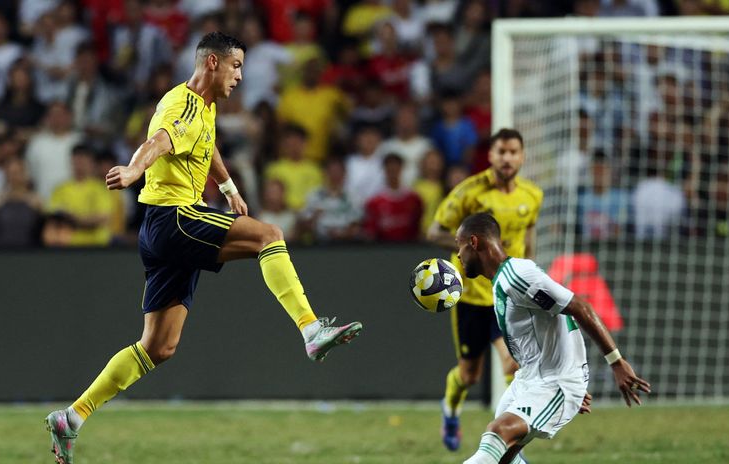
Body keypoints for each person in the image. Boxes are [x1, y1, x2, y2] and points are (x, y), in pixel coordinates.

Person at [44, 32, 363, 464]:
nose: (240, 76)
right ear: (212, 62)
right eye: (236, 66)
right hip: (175, 218)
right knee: (269, 235)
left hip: (158, 233)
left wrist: (228, 186)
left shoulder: (201, 106)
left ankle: (73, 417)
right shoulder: (185, 106)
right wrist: (135, 170)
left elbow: (204, 144)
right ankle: (310, 330)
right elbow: (159, 141)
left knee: (158, 347)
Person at [455, 212, 650, 464]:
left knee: (498, 433)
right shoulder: (504, 280)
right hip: (531, 379)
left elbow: (580, 307)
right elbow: (554, 322)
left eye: (459, 245)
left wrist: (614, 363)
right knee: (504, 457)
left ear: (474, 242)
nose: (458, 255)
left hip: (553, 382)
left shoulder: (517, 276)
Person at [427, 129, 543, 451]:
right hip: (471, 295)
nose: (507, 158)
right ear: (490, 156)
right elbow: (434, 231)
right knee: (469, 375)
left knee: (513, 365)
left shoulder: (532, 195)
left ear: (522, 156)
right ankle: (450, 409)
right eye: (501, 152)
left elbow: (529, 237)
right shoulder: (469, 193)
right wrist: (475, 247)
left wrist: (529, 278)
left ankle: (507, 441)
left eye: (513, 152)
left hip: (508, 294)